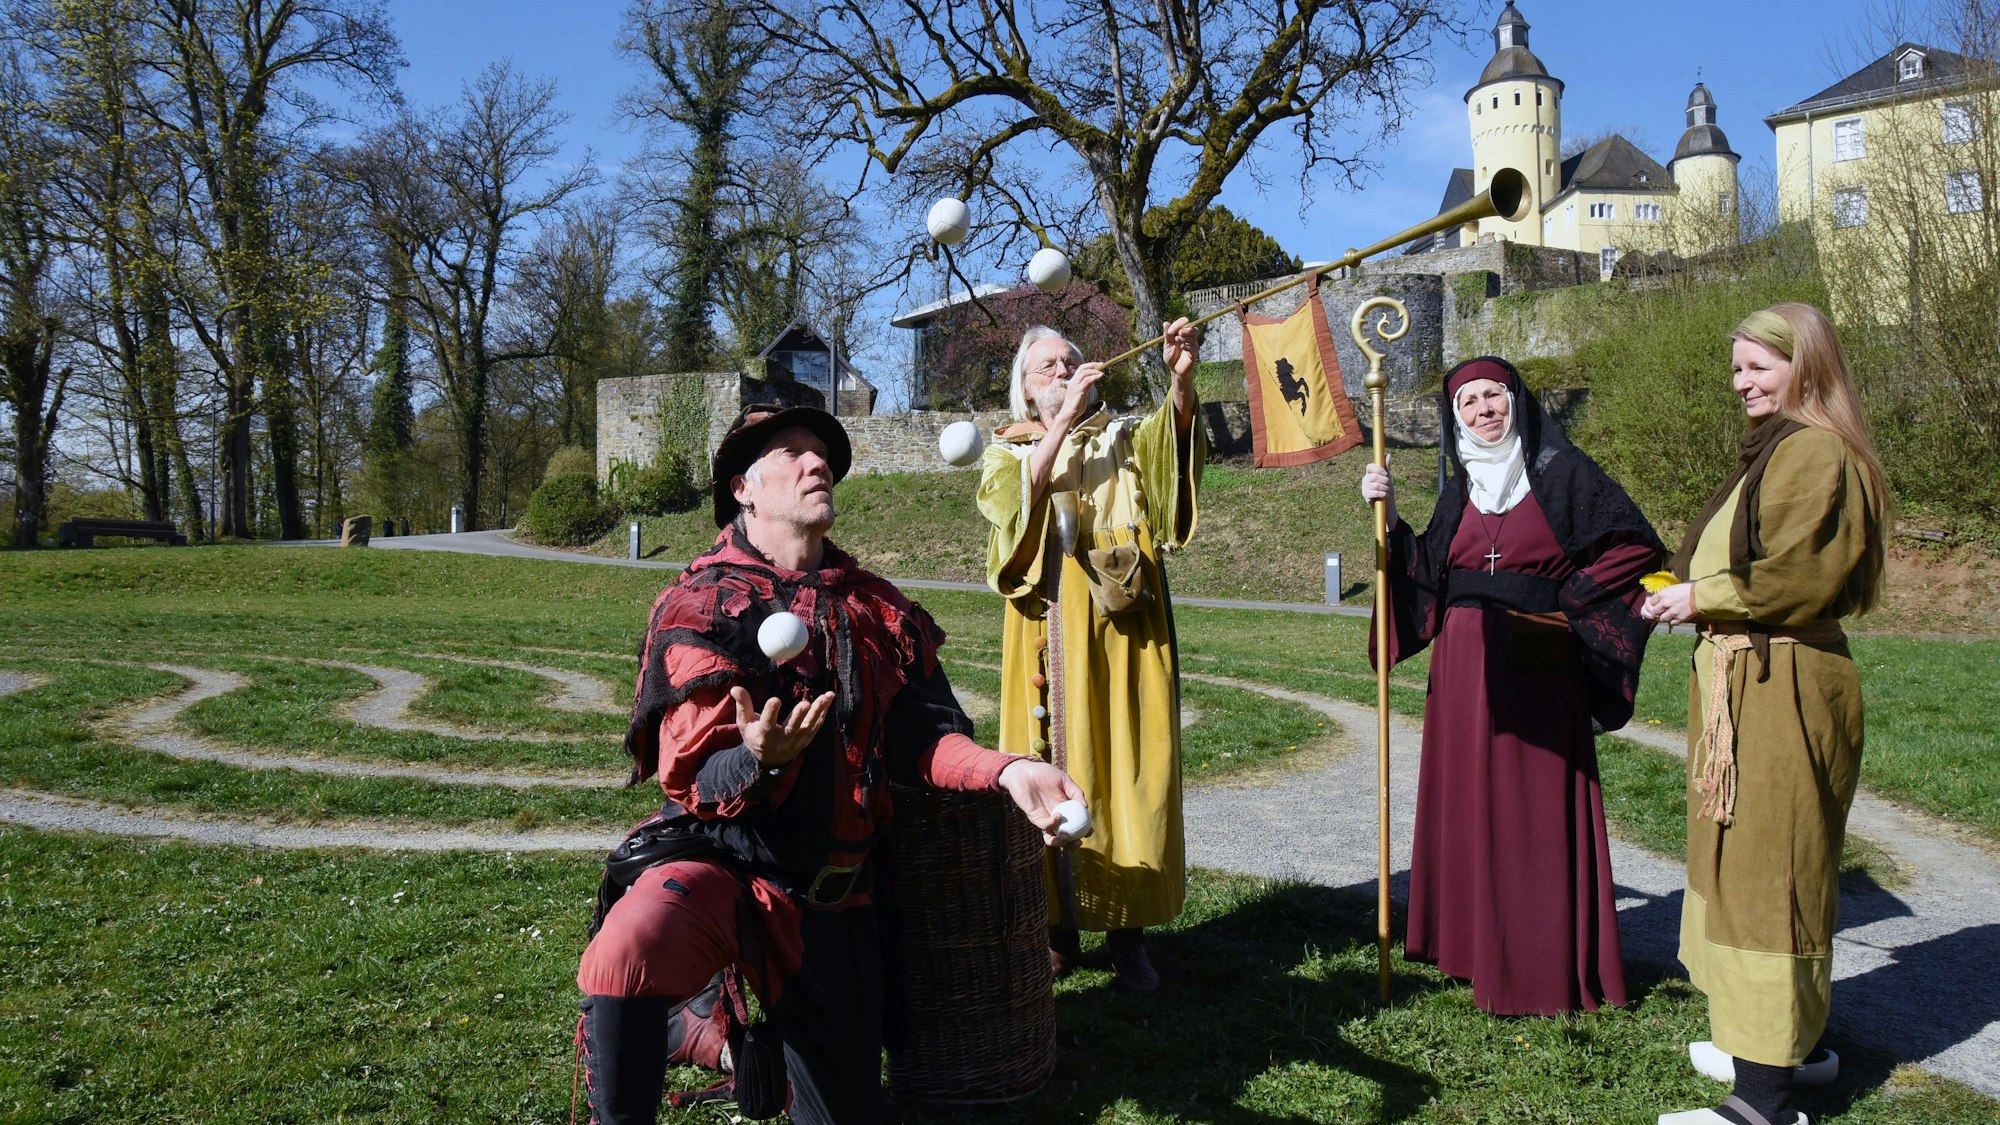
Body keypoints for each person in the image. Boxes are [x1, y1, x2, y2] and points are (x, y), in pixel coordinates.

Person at [576, 403, 1084, 1125]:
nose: (817, 464)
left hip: (833, 901)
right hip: (726, 867)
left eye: (823, 454)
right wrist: (756, 756)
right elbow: (690, 771)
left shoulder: (876, 608)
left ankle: (728, 1045)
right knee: (628, 946)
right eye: (791, 453)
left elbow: (924, 737)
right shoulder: (700, 601)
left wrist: (1004, 770)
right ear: (742, 489)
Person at [1643, 304, 1887, 1125]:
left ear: (1807, 366)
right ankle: (1787, 1046)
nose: (1743, 383)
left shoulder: (1816, 450)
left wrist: (1701, 595)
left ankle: (1766, 1102)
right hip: (1747, 677)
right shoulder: (1779, 449)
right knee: (1740, 864)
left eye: (1760, 368)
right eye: (1739, 368)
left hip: (1782, 680)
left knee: (1772, 873)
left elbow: (1798, 574)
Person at [1359, 355, 1663, 1015]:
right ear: (1456, 418)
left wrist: (1571, 599)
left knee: (1531, 814)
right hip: (1463, 675)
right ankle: (1471, 948)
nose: (1482, 411)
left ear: (1517, 401)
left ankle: (1539, 961)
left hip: (1539, 666)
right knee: (1469, 803)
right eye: (1467, 404)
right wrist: (1387, 523)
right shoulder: (1460, 489)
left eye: (1492, 396)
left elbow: (1637, 546)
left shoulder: (1564, 473)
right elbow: (1424, 580)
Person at [976, 319, 1203, 991]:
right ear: (1023, 388)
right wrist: (1062, 423)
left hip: (1124, 641)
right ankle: (1051, 929)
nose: (1060, 373)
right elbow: (1017, 508)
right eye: (1045, 366)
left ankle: (1127, 934)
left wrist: (1182, 380)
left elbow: (1173, 462)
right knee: (1044, 771)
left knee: (1128, 770)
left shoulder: (1123, 441)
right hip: (1044, 638)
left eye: (1070, 363)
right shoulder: (1006, 452)